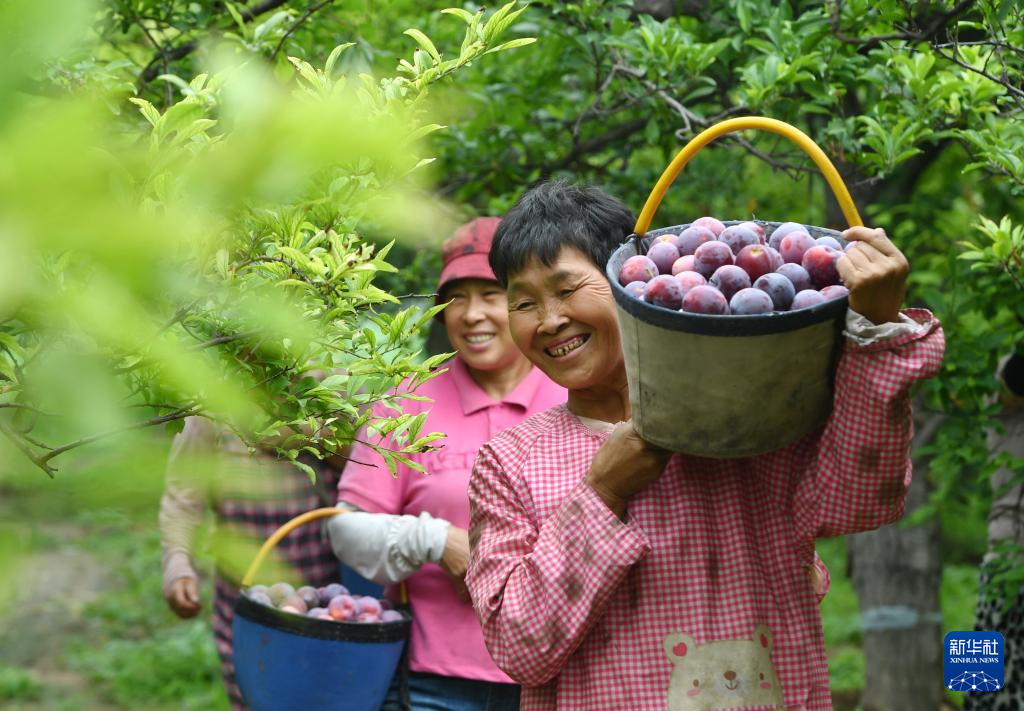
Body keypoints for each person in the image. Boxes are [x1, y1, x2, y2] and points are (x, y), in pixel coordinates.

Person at [464, 180, 945, 710]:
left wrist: (875, 327)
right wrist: (602, 491)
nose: (550, 319)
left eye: (566, 289)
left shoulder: (749, 417)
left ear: (629, 280)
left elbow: (861, 502)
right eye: (524, 302)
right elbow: (518, 647)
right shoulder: (509, 460)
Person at [327, 217, 567, 711]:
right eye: (456, 296)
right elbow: (346, 531)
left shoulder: (575, 394)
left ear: (526, 301)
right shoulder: (407, 402)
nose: (472, 314)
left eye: (491, 293)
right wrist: (438, 541)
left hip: (560, 677)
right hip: (430, 682)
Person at [160, 416, 342, 710]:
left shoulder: (326, 390)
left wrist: (312, 434)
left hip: (327, 608)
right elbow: (183, 496)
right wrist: (177, 562)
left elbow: (366, 469)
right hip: (245, 611)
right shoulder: (209, 408)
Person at [964, 350, 1024, 711]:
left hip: (1001, 551)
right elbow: (1014, 379)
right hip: (1006, 551)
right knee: (978, 686)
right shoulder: (1001, 376)